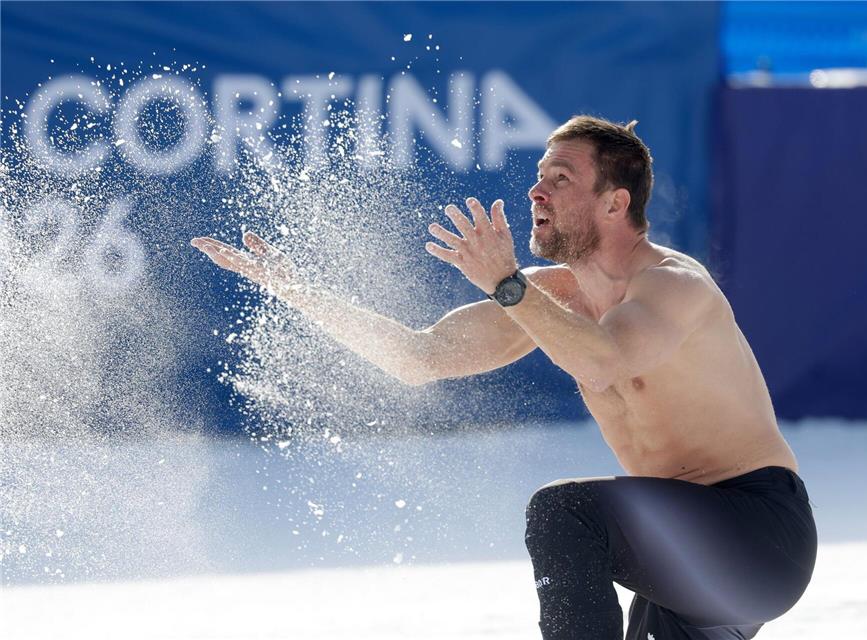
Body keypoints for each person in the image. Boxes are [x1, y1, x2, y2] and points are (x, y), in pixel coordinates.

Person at [191, 115, 817, 640]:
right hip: (686, 557)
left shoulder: (672, 286)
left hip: (757, 534)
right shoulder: (552, 297)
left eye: (561, 179)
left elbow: (603, 359)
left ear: (615, 203)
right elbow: (418, 357)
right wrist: (297, 291)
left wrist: (506, 284)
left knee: (565, 513)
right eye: (539, 176)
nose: (537, 192)